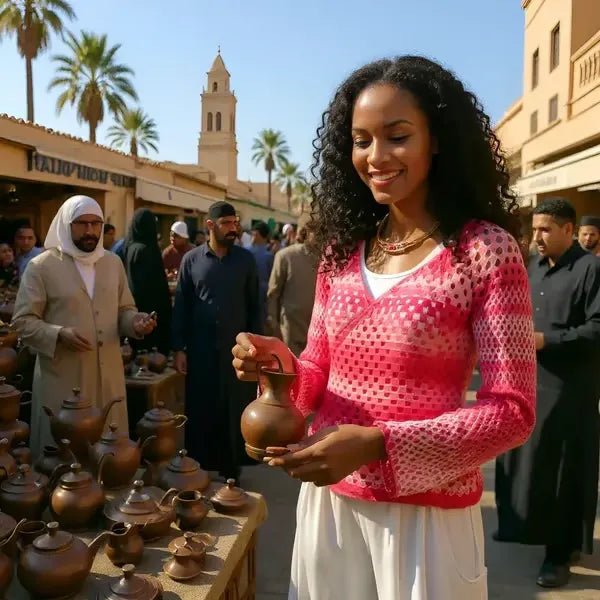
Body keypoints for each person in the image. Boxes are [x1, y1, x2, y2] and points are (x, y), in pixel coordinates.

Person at [232, 56, 536, 600]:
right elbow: (316, 371)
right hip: (330, 504)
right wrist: (279, 368)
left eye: (397, 137)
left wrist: (378, 444)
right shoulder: (341, 254)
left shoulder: (485, 252)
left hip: (426, 519)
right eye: (361, 140)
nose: (376, 157)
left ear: (436, 139)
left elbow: (512, 413)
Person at [495, 197, 600, 588]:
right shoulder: (532, 267)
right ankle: (531, 531)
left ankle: (559, 555)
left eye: (546, 230)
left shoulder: (591, 270)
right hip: (529, 386)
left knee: (564, 473)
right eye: (534, 229)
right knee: (531, 467)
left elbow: (597, 328)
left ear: (569, 231)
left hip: (570, 393)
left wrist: (546, 340)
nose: (536, 237)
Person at [12, 195, 156, 458]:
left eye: (96, 223)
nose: (90, 231)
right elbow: (22, 321)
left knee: (111, 457)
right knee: (64, 461)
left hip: (108, 379)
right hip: (63, 381)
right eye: (82, 223)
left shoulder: (112, 263)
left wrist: (136, 322)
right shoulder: (41, 267)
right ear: (66, 224)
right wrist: (58, 334)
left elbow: (124, 309)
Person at [172, 200, 262, 482]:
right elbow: (181, 306)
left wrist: (256, 346)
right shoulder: (191, 260)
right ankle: (200, 464)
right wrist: (178, 348)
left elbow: (256, 305)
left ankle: (231, 466)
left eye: (235, 223)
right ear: (210, 226)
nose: (233, 229)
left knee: (234, 405)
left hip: (237, 350)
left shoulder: (245, 260)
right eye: (226, 224)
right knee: (202, 405)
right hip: (200, 350)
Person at [121, 208, 172, 355]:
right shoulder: (147, 249)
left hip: (134, 307)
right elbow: (155, 286)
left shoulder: (130, 247)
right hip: (150, 312)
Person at [266, 220, 318, 356]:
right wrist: (274, 324)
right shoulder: (285, 256)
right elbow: (273, 293)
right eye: (316, 230)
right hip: (291, 328)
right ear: (305, 232)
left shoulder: (328, 259)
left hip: (317, 331)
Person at [249, 221, 274, 327]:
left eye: (254, 234)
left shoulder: (268, 255)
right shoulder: (247, 251)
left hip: (261, 294)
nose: (252, 237)